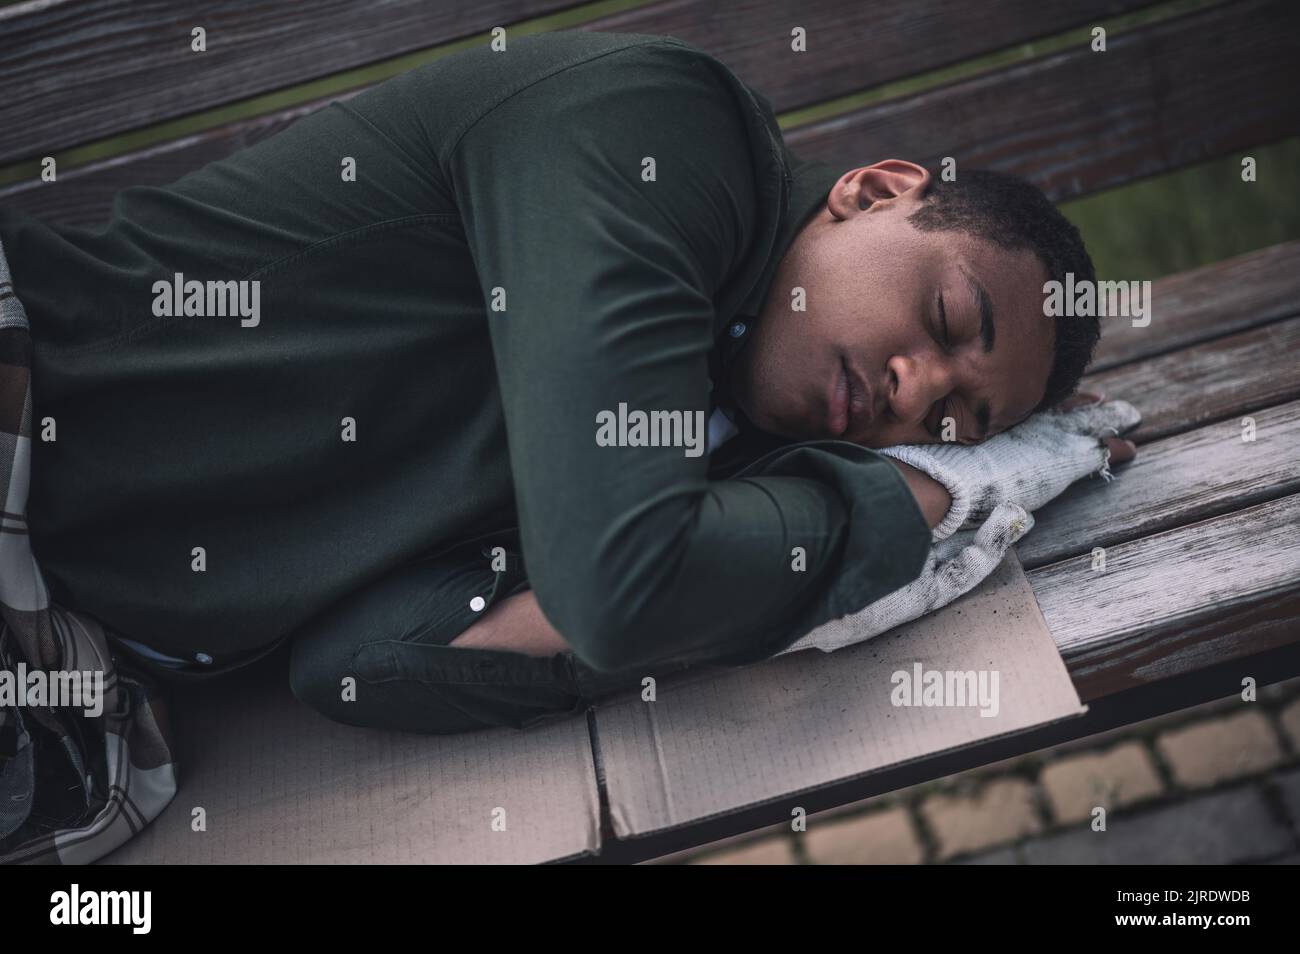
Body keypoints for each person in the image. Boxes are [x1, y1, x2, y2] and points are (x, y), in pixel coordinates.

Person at [0, 30, 1135, 736]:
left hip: (67, 659)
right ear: (875, 189)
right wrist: (931, 496)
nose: (909, 390)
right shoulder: (656, 131)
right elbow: (621, 584)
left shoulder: (718, 442)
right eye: (944, 320)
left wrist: (897, 489)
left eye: (948, 422)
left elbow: (370, 665)